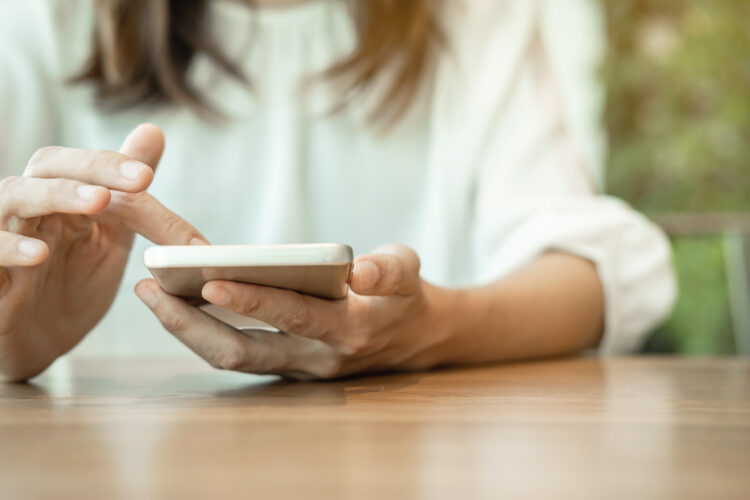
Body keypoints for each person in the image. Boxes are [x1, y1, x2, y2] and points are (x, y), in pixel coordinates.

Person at [0, 0, 676, 382]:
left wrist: (432, 329)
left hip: (408, 459)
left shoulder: (475, 19)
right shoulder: (44, 21)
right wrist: (11, 344)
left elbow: (598, 276)